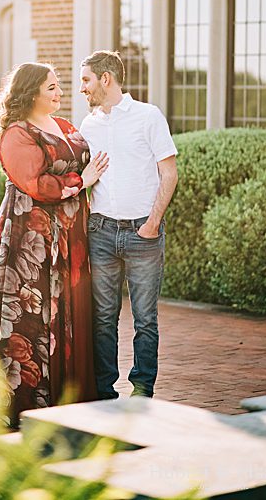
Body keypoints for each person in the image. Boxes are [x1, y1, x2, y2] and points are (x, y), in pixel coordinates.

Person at [0, 63, 107, 427]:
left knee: (69, 308)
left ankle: (70, 399)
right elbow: (35, 183)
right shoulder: (16, 133)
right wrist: (82, 180)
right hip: (31, 237)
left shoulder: (65, 127)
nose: (61, 92)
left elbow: (88, 157)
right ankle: (25, 404)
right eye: (52, 87)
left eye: (59, 86)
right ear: (31, 92)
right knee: (32, 312)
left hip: (71, 234)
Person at [79, 50, 178, 400]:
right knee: (103, 319)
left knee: (145, 319)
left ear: (106, 79)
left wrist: (152, 224)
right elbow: (83, 179)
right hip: (101, 232)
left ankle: (141, 392)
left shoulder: (148, 116)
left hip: (143, 234)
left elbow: (169, 172)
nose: (82, 89)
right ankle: (105, 393)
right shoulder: (87, 125)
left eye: (86, 80)